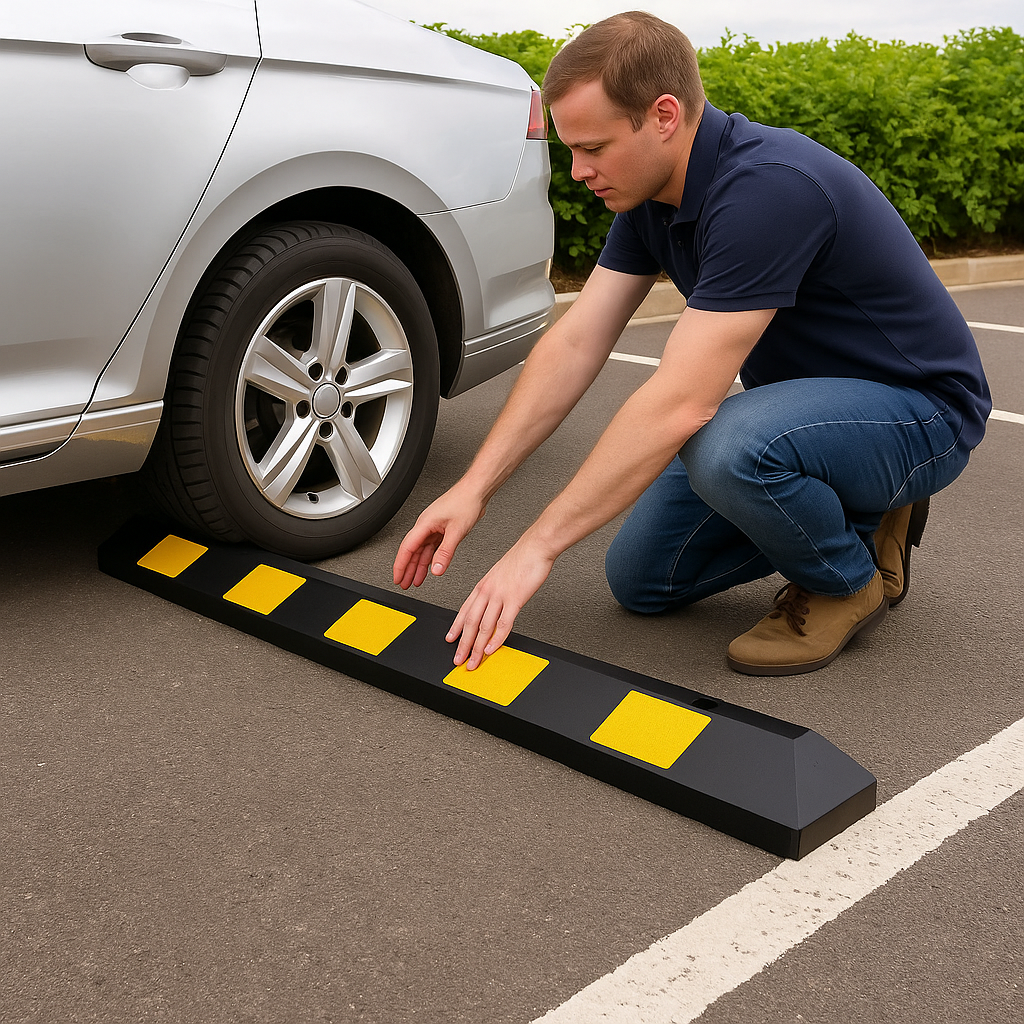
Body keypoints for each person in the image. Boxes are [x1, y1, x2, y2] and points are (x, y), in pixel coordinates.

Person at [392, 11, 990, 677]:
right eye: (570, 151)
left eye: (593, 147)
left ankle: (845, 580)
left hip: (924, 410)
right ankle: (861, 499)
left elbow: (680, 402)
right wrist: (474, 488)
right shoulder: (650, 196)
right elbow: (577, 343)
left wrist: (535, 549)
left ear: (665, 115)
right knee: (644, 579)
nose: (579, 171)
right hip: (807, 415)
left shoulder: (767, 190)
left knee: (723, 441)